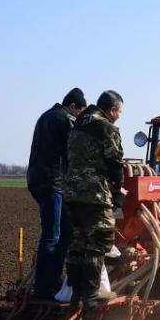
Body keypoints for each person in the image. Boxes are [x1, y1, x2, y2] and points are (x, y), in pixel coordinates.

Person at [63, 90, 125, 307]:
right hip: (94, 193)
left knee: (78, 242)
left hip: (72, 192)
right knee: (100, 239)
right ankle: (91, 293)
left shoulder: (77, 124)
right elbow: (115, 163)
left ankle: (75, 293)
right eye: (119, 112)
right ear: (112, 110)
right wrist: (118, 192)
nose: (119, 116)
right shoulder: (106, 128)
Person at [26, 88, 87, 298]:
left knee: (64, 234)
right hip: (53, 182)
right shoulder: (64, 119)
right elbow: (77, 151)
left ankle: (53, 280)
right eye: (80, 112)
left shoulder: (45, 117)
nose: (78, 117)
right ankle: (44, 288)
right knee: (53, 235)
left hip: (38, 180)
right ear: (72, 107)